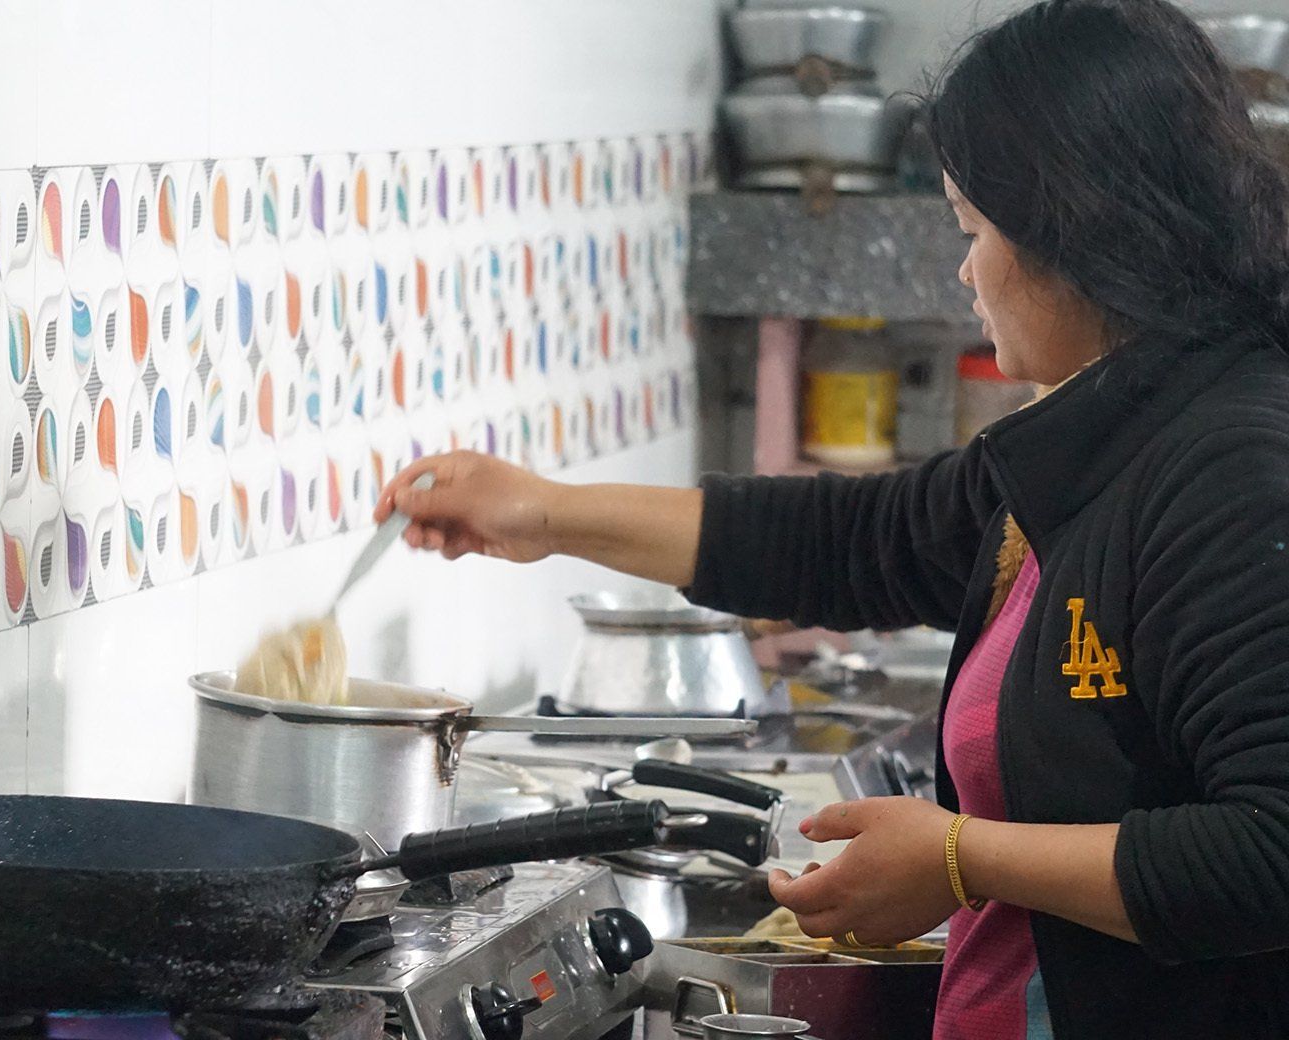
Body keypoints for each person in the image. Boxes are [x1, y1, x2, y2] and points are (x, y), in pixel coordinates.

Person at [374, 1, 1289, 1036]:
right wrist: (542, 510)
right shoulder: (1097, 438)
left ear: (1070, 233)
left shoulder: (1229, 464)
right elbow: (847, 542)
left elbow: (1271, 851)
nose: (964, 271)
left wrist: (957, 855)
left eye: (972, 231)